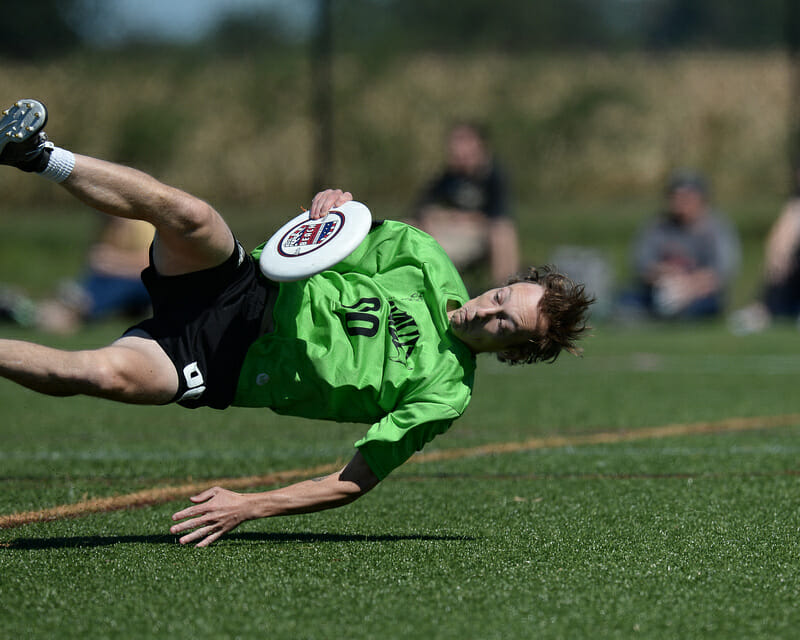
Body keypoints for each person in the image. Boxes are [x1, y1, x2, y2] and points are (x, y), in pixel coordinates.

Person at [0, 99, 592, 547]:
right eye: (502, 294)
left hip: (223, 363)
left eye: (505, 325)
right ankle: (37, 154)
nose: (487, 309)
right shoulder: (425, 257)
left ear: (513, 350)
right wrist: (331, 204)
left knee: (100, 375)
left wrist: (249, 505)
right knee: (190, 213)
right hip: (246, 283)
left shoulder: (446, 392)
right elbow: (332, 234)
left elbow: (352, 480)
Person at [411, 122, 520, 288]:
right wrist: (440, 217)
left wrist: (464, 219)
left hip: (479, 236)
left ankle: (506, 288)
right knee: (409, 225)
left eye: (462, 142)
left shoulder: (492, 176)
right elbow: (422, 208)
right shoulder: (448, 177)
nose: (456, 149)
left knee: (503, 232)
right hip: (447, 233)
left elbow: (498, 215)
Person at [621, 169, 740, 320]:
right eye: (675, 196)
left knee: (702, 307)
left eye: (687, 197)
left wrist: (688, 286)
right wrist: (664, 274)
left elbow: (722, 272)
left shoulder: (716, 228)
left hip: (700, 294)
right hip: (658, 288)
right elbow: (641, 265)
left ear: (701, 199)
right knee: (627, 299)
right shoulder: (657, 226)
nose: (680, 202)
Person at [1, 215, 153, 333]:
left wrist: (113, 261)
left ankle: (38, 313)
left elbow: (151, 264)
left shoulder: (141, 225)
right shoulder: (107, 225)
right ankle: (48, 308)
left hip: (138, 284)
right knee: (98, 281)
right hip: (110, 280)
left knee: (109, 285)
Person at [728, 166, 800, 334]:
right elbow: (779, 239)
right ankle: (765, 307)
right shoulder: (795, 205)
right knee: (781, 258)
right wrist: (778, 256)